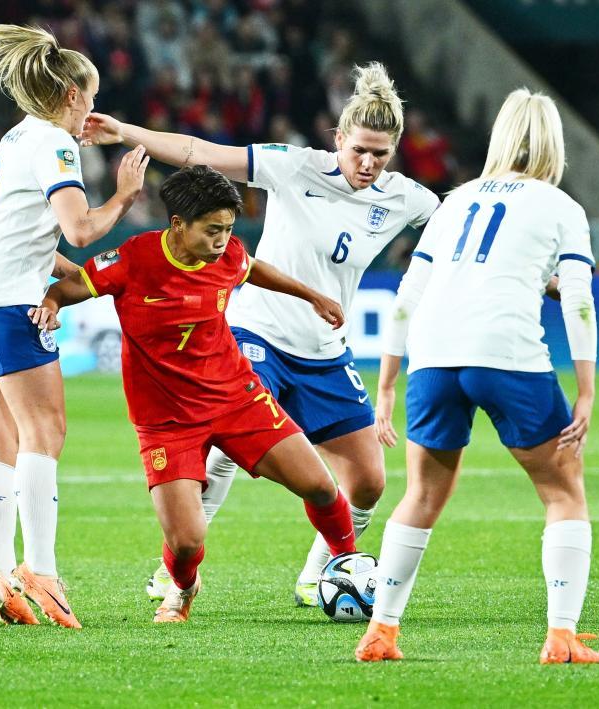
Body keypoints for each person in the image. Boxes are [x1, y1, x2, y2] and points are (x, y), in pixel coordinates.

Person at [82, 62, 440, 606]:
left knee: (369, 481)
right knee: (226, 440)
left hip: (324, 350)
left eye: (380, 154)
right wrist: (126, 132)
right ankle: (173, 568)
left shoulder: (407, 198)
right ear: (338, 139)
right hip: (259, 332)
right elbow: (198, 152)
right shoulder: (295, 166)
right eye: (358, 150)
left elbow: (461, 225)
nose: (368, 163)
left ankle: (322, 574)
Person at [29, 166, 358, 623]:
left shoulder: (229, 254)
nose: (223, 240)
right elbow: (73, 285)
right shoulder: (135, 258)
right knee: (185, 542)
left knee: (321, 486)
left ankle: (350, 565)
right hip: (166, 420)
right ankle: (183, 588)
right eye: (212, 230)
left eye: (228, 229)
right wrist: (50, 303)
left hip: (236, 399)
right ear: (178, 224)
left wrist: (311, 296)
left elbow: (252, 268)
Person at [355, 89, 599, 665]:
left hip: (433, 355)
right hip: (505, 352)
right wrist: (588, 389)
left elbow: (407, 295)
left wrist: (388, 384)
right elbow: (579, 299)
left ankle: (381, 630)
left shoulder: (456, 201)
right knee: (563, 490)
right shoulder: (561, 207)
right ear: (554, 144)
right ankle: (562, 636)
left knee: (421, 494)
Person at [0, 24, 149, 629]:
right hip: (8, 303)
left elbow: (21, 232)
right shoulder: (57, 144)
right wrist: (125, 197)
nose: (91, 110)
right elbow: (80, 228)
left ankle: (1, 572)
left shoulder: (17, 135)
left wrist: (70, 276)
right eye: (91, 97)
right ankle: (43, 570)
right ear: (70, 95)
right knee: (45, 431)